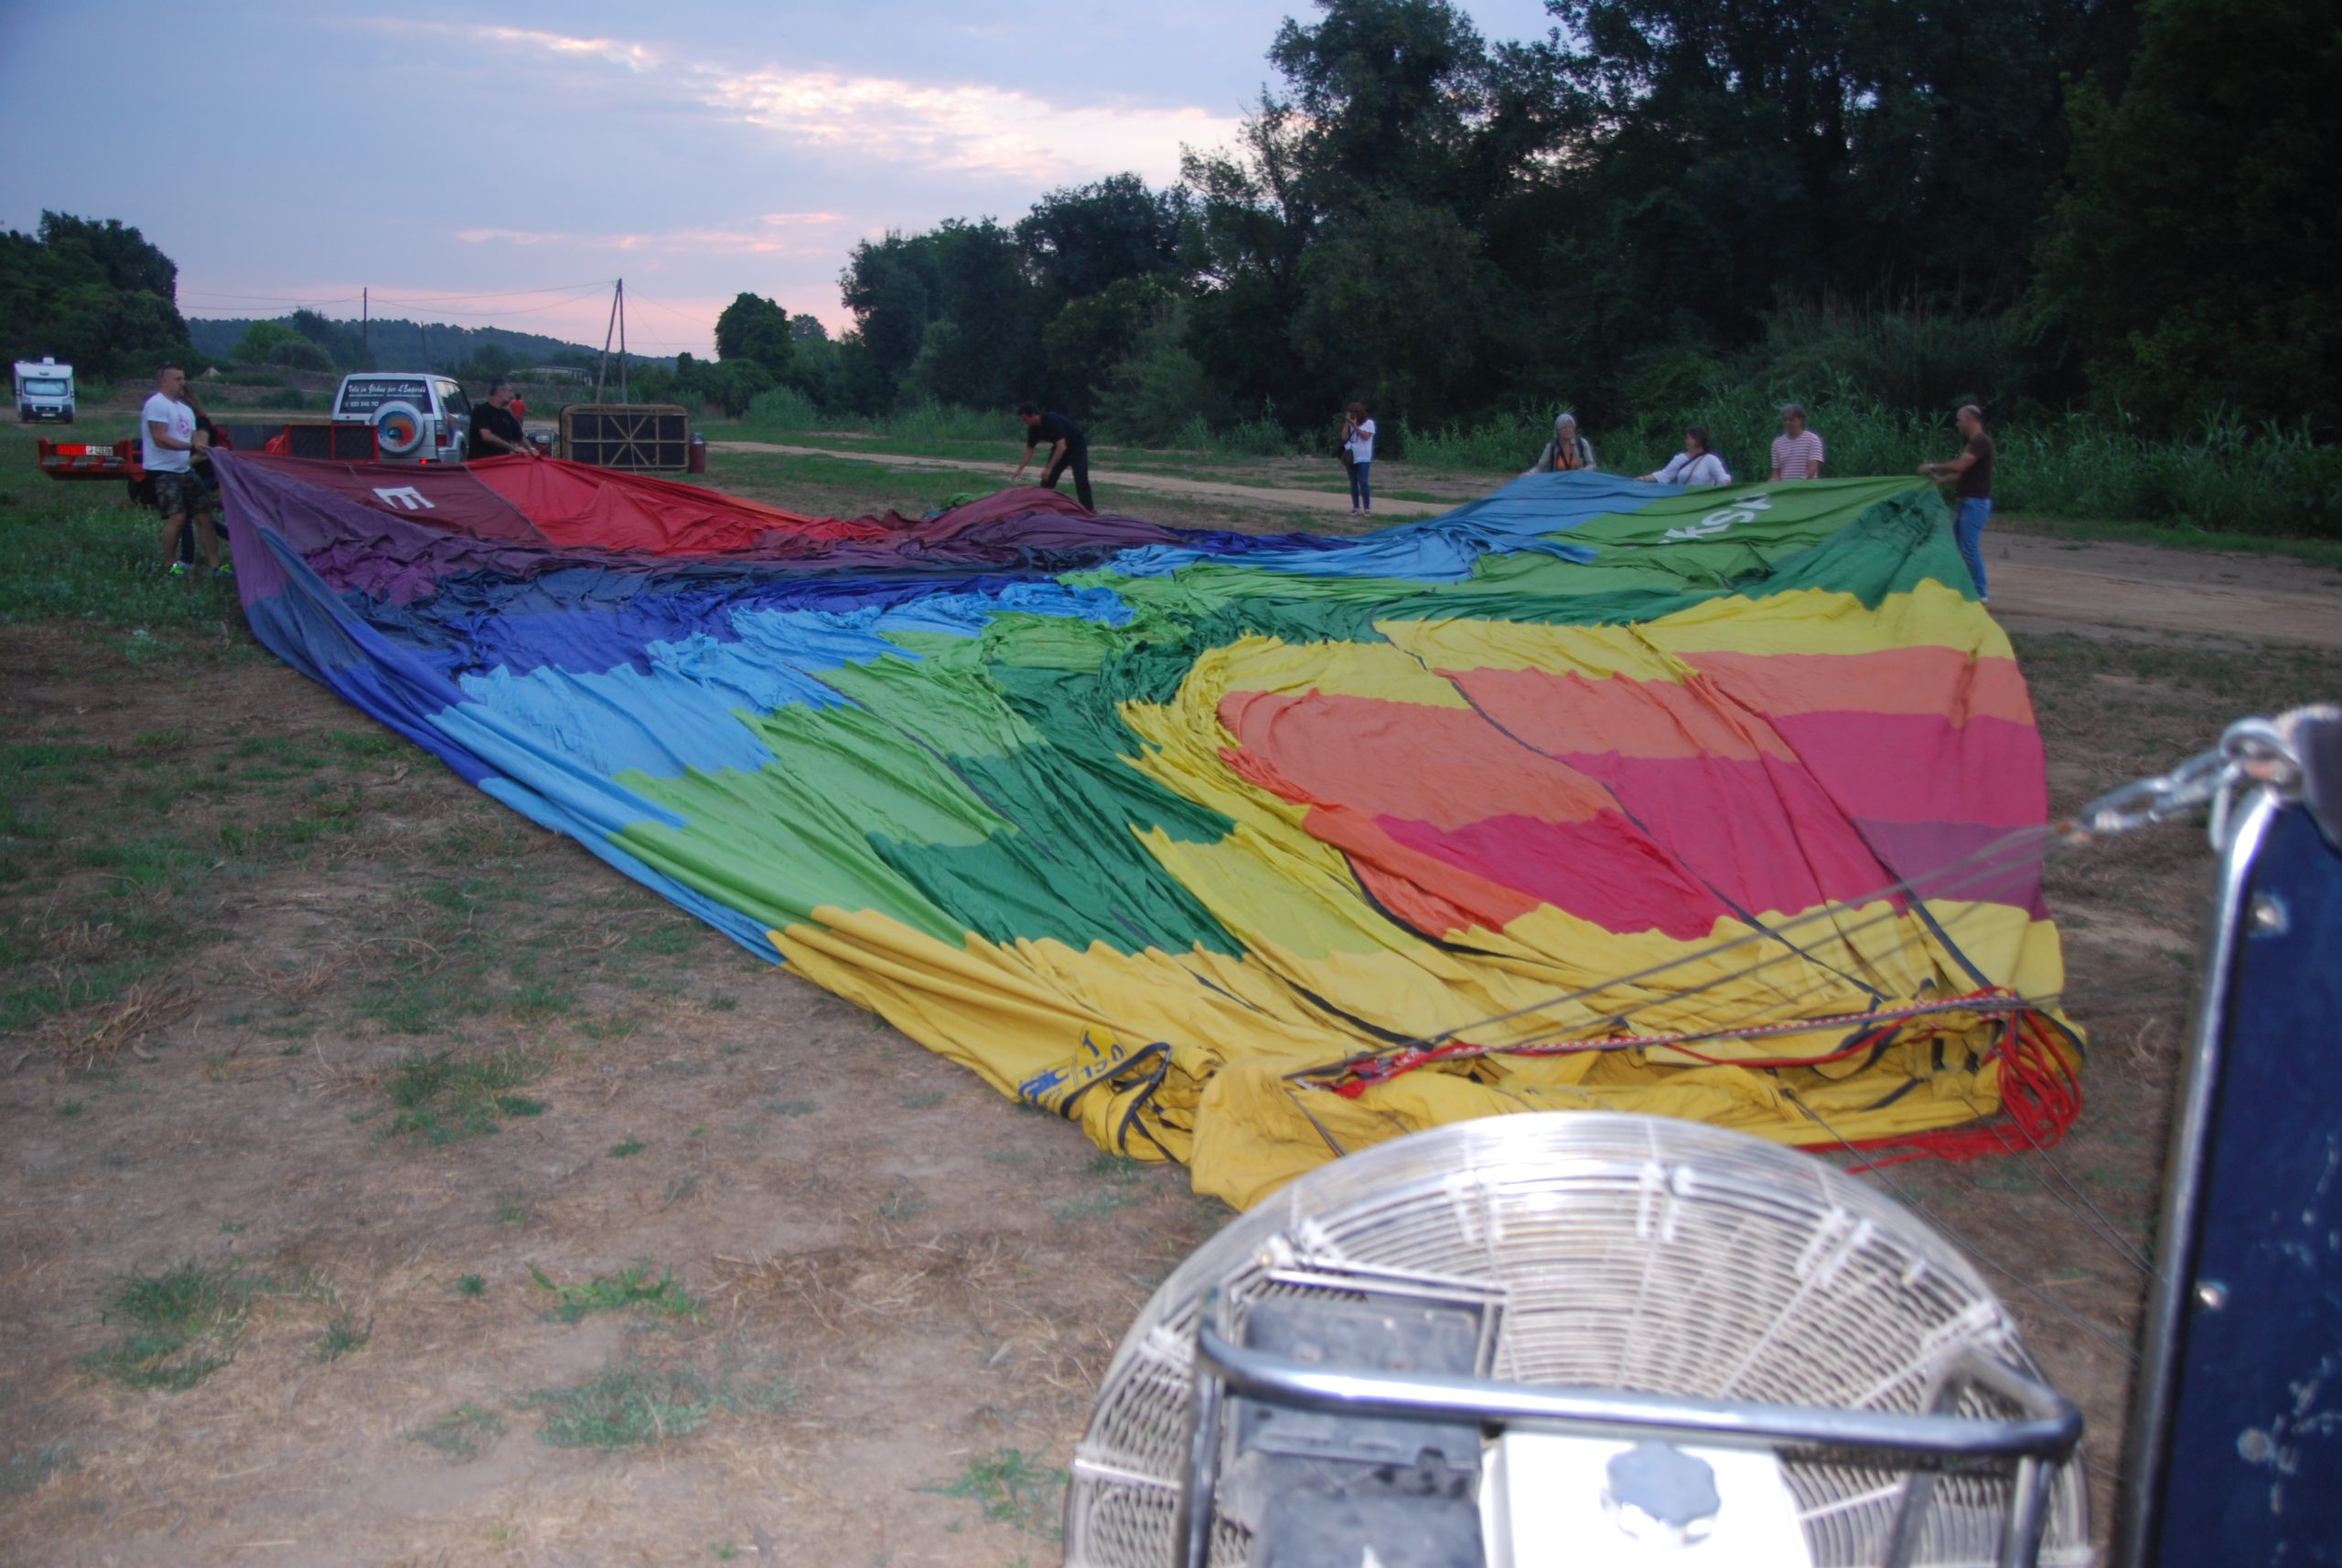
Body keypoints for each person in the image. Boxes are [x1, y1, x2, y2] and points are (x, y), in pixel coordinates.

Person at [142, 363, 220, 578]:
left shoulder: (185, 409)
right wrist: (191, 447)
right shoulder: (156, 404)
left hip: (184, 469)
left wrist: (209, 450)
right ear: (164, 381)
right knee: (177, 516)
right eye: (177, 379)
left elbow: (194, 439)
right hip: (162, 470)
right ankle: (171, 566)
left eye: (183, 378)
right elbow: (159, 438)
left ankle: (216, 566)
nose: (182, 383)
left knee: (204, 515)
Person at [1921, 404, 1997, 602]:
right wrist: (1940, 479)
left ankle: (1980, 592)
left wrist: (1933, 466)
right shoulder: (1975, 443)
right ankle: (1952, 586)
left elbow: (1962, 465)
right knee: (1951, 545)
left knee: (1969, 548)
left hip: (1976, 504)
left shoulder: (1981, 441)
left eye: (1959, 419)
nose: (1957, 424)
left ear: (1970, 419)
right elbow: (1963, 474)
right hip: (1967, 503)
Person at [1010, 404, 1093, 510]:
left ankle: (1089, 511)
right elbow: (1029, 450)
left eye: (1025, 419)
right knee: (1047, 480)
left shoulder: (1051, 420)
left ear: (1033, 415)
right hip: (1060, 448)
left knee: (1081, 480)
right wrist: (1020, 469)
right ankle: (1043, 508)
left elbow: (1062, 446)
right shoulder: (1033, 430)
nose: (1024, 422)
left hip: (1076, 447)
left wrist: (1049, 468)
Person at [1637, 424, 1732, 487]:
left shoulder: (1711, 460)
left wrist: (1724, 483)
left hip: (1703, 500)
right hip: (1683, 500)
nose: (1686, 441)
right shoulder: (1680, 459)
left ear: (1697, 440)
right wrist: (1643, 479)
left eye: (1689, 438)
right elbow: (1665, 475)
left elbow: (1722, 477)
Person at [468, 378, 539, 459]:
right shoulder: (481, 411)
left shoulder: (507, 415)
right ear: (500, 391)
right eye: (510, 391)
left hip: (501, 465)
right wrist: (513, 447)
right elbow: (486, 436)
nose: (512, 395)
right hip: (482, 465)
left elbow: (520, 437)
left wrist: (531, 449)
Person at [1769, 403, 1825, 480]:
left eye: (1791, 419)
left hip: (1807, 488)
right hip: (1786, 489)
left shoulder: (1813, 439)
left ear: (1801, 420)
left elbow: (1812, 469)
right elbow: (1776, 474)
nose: (1788, 422)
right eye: (1785, 420)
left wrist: (1798, 485)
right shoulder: (1777, 443)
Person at [1527, 412, 1595, 474]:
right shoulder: (1551, 447)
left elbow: (1592, 464)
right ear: (1558, 430)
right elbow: (1540, 467)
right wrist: (1529, 474)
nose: (1567, 430)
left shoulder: (1582, 443)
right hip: (1558, 484)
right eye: (1564, 427)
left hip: (1579, 483)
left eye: (1570, 427)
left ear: (1574, 429)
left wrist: (1585, 470)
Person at [1341, 401, 1376, 514]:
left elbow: (1366, 436)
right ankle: (1355, 507)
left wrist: (1355, 426)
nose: (1353, 415)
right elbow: (1344, 437)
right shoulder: (1350, 424)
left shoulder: (1369, 423)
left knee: (1363, 481)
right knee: (1353, 482)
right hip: (1351, 456)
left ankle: (1367, 507)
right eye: (1351, 412)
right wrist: (1347, 423)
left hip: (1364, 457)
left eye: (1355, 412)